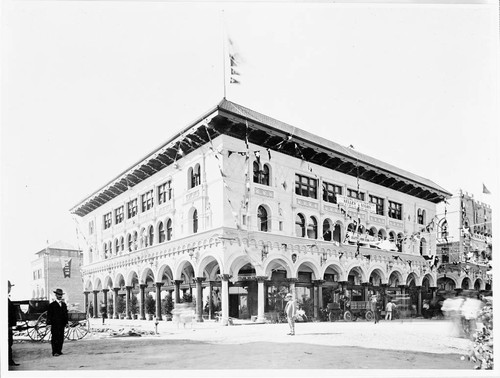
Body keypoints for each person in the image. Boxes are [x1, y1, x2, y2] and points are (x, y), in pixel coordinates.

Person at [46, 288, 68, 356]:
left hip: (62, 324)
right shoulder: (51, 305)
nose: (60, 296)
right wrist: (49, 324)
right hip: (54, 324)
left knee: (61, 337)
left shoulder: (64, 305)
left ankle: (59, 350)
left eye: (61, 295)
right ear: (56, 295)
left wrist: (66, 322)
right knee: (55, 337)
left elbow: (65, 314)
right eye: (58, 295)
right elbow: (49, 315)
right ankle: (54, 351)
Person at [8, 280, 20, 367]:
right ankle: (9, 361)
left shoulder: (6, 298)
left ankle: (9, 360)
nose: (10, 289)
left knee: (9, 343)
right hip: (7, 326)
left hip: (8, 326)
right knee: (8, 343)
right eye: (9, 287)